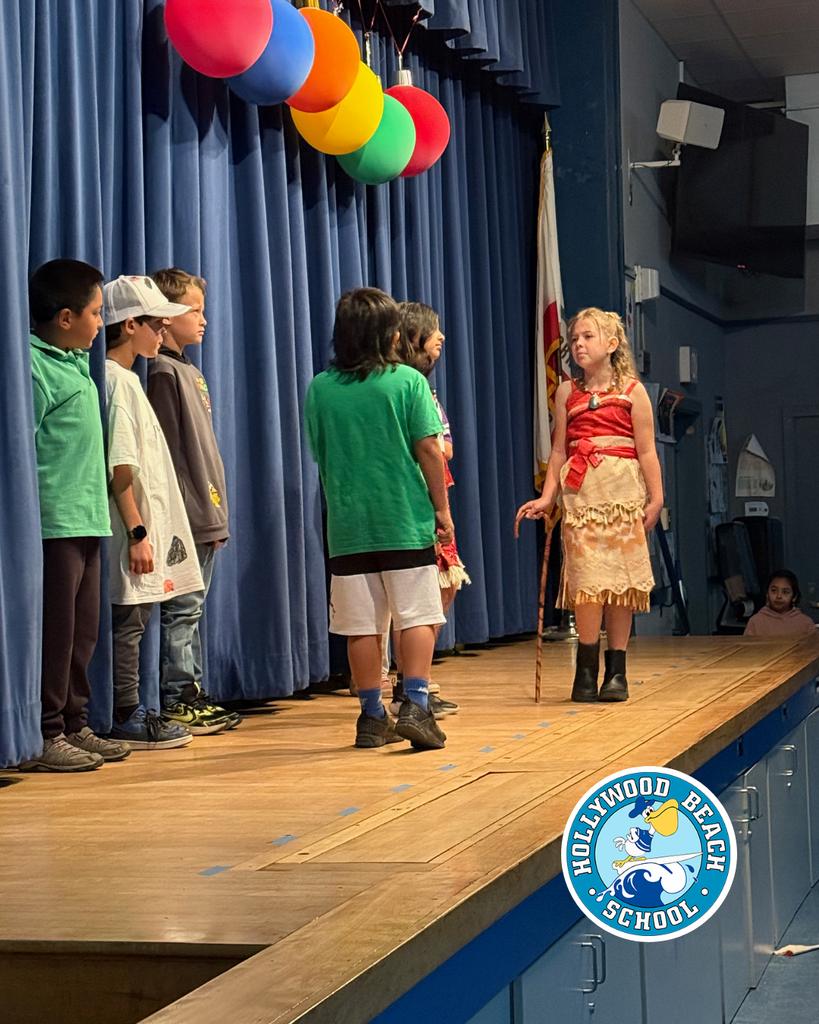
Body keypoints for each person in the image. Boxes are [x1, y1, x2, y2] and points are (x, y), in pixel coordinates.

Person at [304, 288, 453, 749]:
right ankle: (416, 706)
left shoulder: (320, 388)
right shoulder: (407, 382)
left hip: (347, 526)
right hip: (403, 518)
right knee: (417, 615)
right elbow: (429, 449)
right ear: (390, 335)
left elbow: (319, 451)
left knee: (361, 624)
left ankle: (371, 717)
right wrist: (442, 510)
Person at [516, 308, 662, 703]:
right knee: (587, 585)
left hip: (621, 499)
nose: (578, 344)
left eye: (587, 337)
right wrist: (547, 497)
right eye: (574, 339)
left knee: (619, 586)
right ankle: (585, 670)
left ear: (611, 344)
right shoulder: (567, 393)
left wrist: (657, 498)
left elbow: (647, 450)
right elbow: (559, 451)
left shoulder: (632, 392)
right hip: (582, 499)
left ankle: (617, 672)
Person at [21, 259, 130, 771]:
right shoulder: (34, 365)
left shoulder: (78, 365)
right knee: (57, 633)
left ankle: (74, 722)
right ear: (65, 317)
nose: (100, 323)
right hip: (54, 524)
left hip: (89, 520)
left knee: (83, 634)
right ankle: (45, 732)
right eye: (95, 313)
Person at [103, 275, 205, 749]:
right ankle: (127, 713)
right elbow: (121, 468)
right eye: (156, 324)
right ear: (129, 325)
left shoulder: (127, 380)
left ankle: (131, 709)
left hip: (138, 528)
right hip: (130, 530)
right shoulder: (117, 382)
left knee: (137, 620)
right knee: (129, 623)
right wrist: (138, 532)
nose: (163, 333)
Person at [147, 268, 238, 733]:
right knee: (182, 609)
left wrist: (215, 514)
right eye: (194, 311)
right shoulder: (162, 372)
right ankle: (177, 695)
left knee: (194, 608)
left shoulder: (189, 370)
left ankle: (193, 690)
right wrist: (184, 515)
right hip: (183, 516)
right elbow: (166, 454)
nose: (203, 320)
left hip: (205, 511)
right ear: (165, 316)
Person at [389, 302, 467, 719]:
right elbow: (427, 444)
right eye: (433, 330)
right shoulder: (401, 386)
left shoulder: (425, 388)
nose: (441, 337)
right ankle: (407, 685)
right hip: (413, 500)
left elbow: (445, 445)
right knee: (415, 598)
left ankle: (418, 679)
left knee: (443, 588)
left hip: (435, 491)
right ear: (413, 335)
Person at [744, 570, 816, 637]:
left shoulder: (805, 623)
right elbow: (746, 646)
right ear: (767, 593)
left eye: (785, 592)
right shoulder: (756, 621)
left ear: (794, 597)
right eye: (774, 590)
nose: (779, 596)